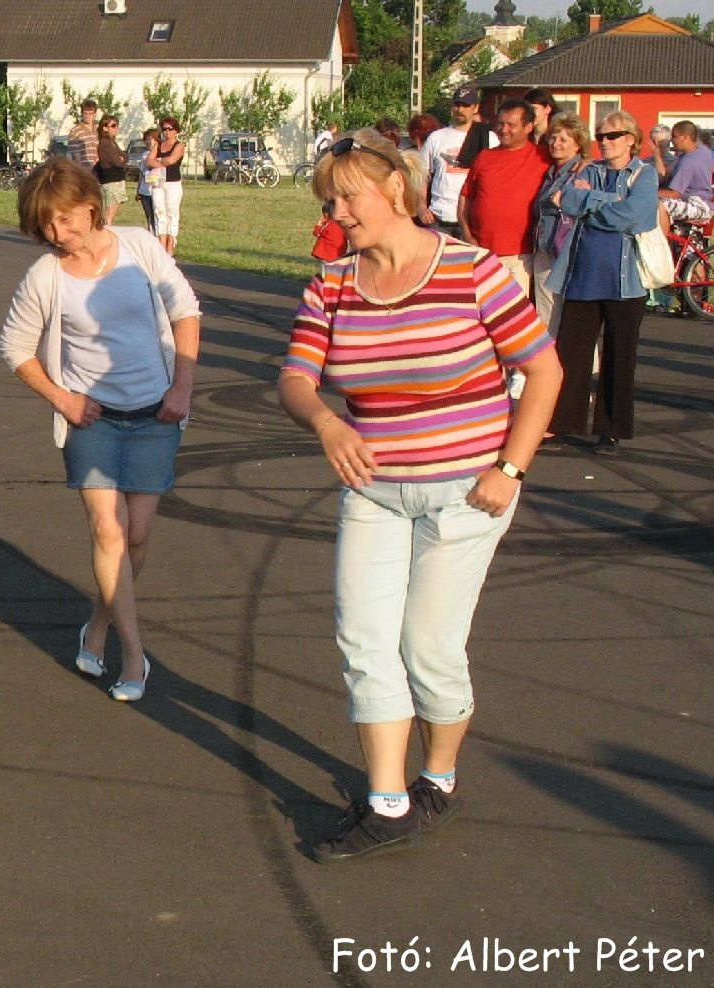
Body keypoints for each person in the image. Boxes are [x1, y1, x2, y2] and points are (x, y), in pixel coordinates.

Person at [278, 129, 560, 863]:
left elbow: (546, 370)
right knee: (364, 639)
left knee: (428, 646)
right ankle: (389, 802)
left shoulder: (472, 271)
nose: (339, 212)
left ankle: (438, 778)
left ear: (395, 189)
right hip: (373, 490)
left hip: (467, 491)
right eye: (330, 200)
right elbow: (296, 378)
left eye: (349, 195)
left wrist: (512, 469)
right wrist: (326, 421)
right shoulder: (333, 283)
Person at [0, 157, 202, 705]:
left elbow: (185, 309)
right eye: (44, 225)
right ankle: (134, 656)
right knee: (109, 533)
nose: (55, 234)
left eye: (63, 220)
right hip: (92, 421)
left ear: (90, 207)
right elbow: (14, 348)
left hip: (155, 414)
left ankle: (100, 624)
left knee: (135, 538)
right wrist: (62, 397)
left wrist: (181, 388)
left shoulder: (140, 248)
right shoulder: (44, 277)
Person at [544, 111, 659, 456]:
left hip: (627, 283)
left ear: (631, 139)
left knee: (619, 356)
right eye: (600, 136)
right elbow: (565, 200)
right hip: (582, 274)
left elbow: (638, 215)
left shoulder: (645, 173)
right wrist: (605, 203)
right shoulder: (588, 170)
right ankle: (563, 423)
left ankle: (611, 429)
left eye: (612, 136)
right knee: (571, 356)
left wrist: (591, 201)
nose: (604, 142)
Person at [458, 99, 550, 297]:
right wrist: (467, 236)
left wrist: (585, 160)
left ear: (528, 126)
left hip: (519, 256)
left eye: (511, 125)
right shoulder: (484, 157)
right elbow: (466, 198)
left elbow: (574, 154)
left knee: (514, 316)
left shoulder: (543, 157)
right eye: (500, 124)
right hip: (482, 253)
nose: (503, 129)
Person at [532, 112, 589, 329]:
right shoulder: (550, 173)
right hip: (544, 248)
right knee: (546, 315)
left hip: (566, 252)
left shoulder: (582, 172)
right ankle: (551, 361)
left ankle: (583, 364)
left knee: (574, 318)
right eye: (553, 138)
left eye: (564, 140)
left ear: (577, 145)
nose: (556, 144)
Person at [420, 87, 496, 237]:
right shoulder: (436, 137)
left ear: (476, 108)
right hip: (439, 218)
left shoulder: (489, 138)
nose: (460, 109)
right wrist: (421, 207)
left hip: (472, 219)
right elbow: (421, 175)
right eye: (457, 104)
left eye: (466, 105)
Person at [654, 120, 713, 226]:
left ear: (685, 137)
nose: (671, 140)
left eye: (675, 136)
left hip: (696, 206)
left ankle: (660, 241)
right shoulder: (702, 151)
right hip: (706, 203)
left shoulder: (688, 162)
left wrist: (647, 192)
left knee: (659, 206)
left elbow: (674, 194)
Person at [151, 117, 185, 254]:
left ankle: (170, 247)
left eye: (170, 128)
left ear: (176, 130)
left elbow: (172, 160)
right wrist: (161, 161)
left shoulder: (179, 145)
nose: (166, 132)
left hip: (173, 183)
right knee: (159, 212)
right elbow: (149, 161)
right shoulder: (157, 145)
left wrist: (158, 160)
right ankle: (161, 247)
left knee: (172, 212)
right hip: (157, 182)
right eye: (164, 129)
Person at [94, 114, 128, 225]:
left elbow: (125, 156)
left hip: (116, 180)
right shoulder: (105, 143)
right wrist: (121, 159)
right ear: (104, 128)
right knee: (109, 214)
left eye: (117, 125)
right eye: (113, 126)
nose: (116, 128)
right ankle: (105, 233)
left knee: (112, 212)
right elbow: (118, 161)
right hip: (111, 181)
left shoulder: (111, 142)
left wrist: (122, 158)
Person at [135, 127, 160, 235]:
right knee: (149, 217)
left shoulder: (160, 155)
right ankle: (152, 236)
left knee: (158, 216)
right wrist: (138, 190)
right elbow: (141, 173)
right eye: (146, 140)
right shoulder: (144, 155)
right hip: (145, 191)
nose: (147, 142)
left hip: (157, 190)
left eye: (150, 139)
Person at [67, 99, 99, 169]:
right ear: (81, 114)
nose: (87, 116)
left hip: (99, 172)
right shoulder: (75, 131)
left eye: (90, 113)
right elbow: (76, 158)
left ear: (95, 114)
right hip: (84, 172)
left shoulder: (99, 130)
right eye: (85, 113)